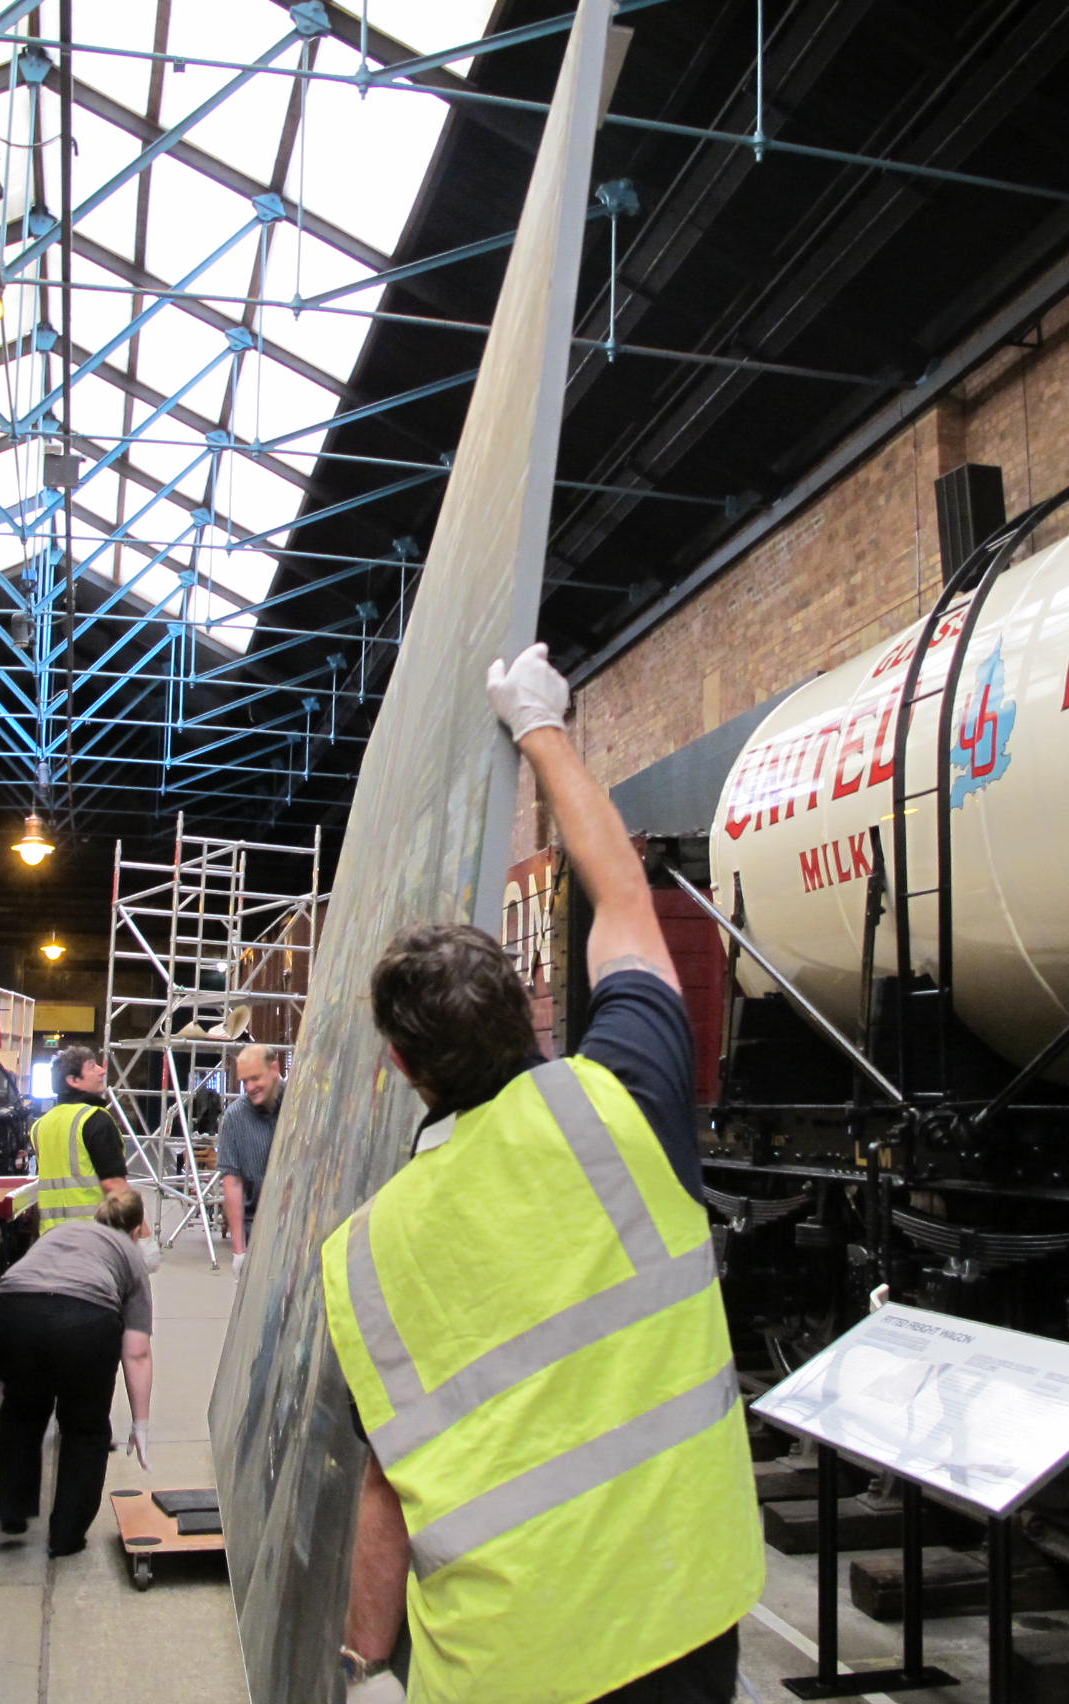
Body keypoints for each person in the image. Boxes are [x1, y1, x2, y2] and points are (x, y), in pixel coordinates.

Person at [321, 643, 763, 1704]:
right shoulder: (623, 1107)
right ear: (528, 1006)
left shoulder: (362, 1258)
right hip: (679, 1623)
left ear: (400, 1066)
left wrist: (362, 1660)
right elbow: (624, 903)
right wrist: (540, 726)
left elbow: (385, 1482)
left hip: (499, 1668)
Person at [0, 1186, 158, 1557]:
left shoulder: (59, 1233)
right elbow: (137, 1351)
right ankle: (66, 1535)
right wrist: (140, 1425)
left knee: (21, 1408)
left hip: (13, 1310)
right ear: (135, 1232)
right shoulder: (129, 1255)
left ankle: (13, 1510)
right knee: (85, 1428)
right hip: (84, 1321)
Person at [30, 1043, 126, 1230]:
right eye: (92, 1067)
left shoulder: (40, 1125)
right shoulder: (95, 1119)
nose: (101, 1071)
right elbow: (114, 1185)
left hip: (51, 1237)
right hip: (93, 1235)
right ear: (73, 1080)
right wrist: (141, 1230)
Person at [216, 1043, 285, 1269]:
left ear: (274, 1068)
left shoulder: (304, 1104)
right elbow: (232, 1183)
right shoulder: (234, 1119)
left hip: (303, 1227)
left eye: (255, 1078)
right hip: (257, 1229)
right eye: (244, 1081)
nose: (250, 1087)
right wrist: (239, 1251)